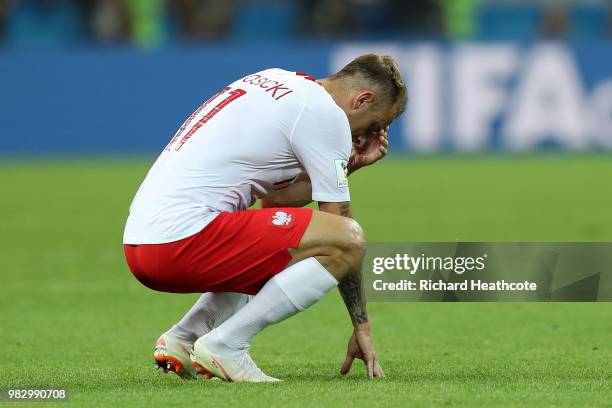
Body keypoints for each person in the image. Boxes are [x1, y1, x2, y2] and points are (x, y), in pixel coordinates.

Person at [123, 54, 407, 382]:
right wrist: (362, 326)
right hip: (181, 243)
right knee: (348, 239)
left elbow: (275, 202)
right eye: (374, 125)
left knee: (278, 244)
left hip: (143, 242)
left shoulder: (278, 81)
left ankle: (184, 338)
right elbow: (341, 231)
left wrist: (349, 165)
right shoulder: (325, 115)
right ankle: (227, 345)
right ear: (363, 99)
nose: (365, 137)